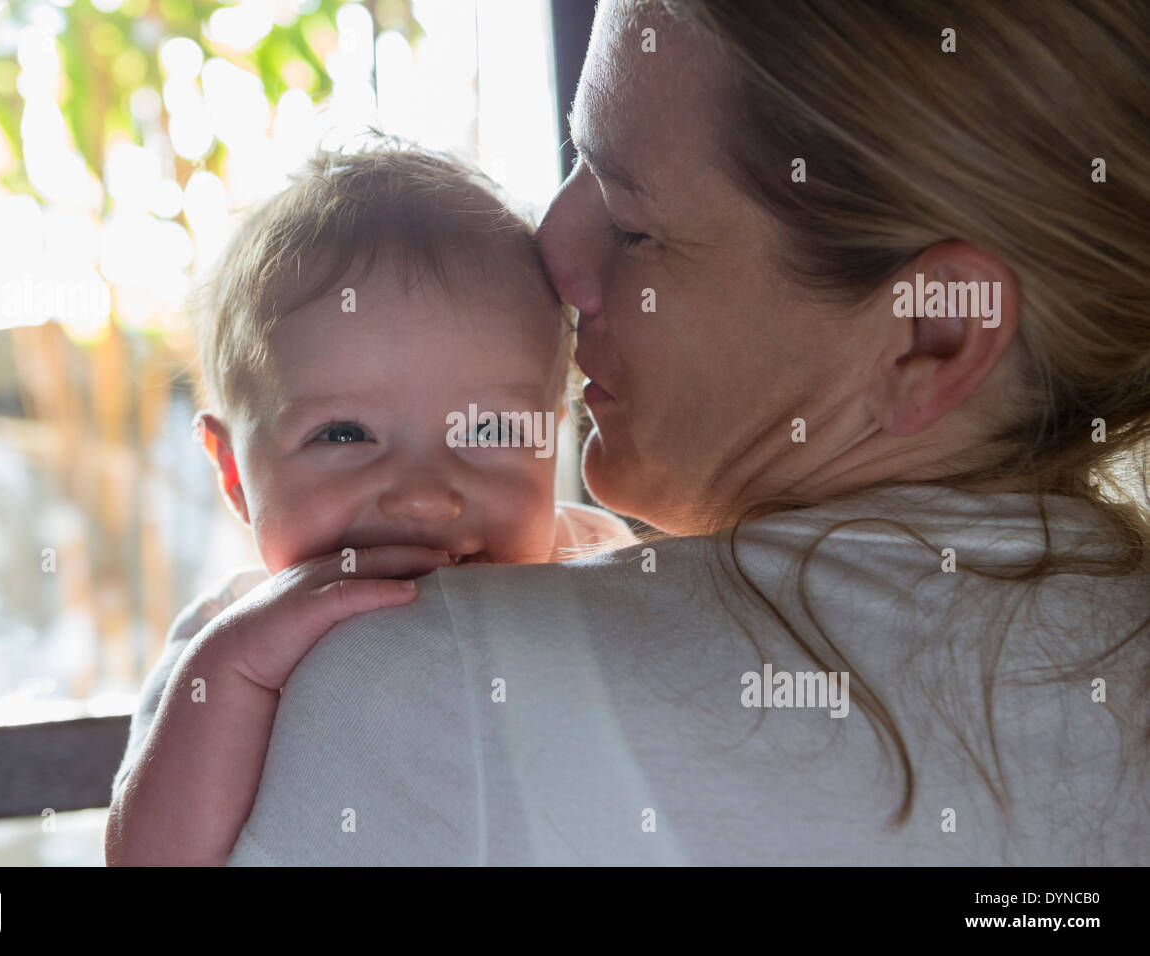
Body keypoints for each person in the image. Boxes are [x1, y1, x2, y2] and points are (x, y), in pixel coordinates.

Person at [132, 0, 1150, 865]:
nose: (551, 252)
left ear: (931, 335)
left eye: (630, 223)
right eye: (575, 163)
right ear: (227, 462)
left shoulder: (411, 680)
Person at [104, 146, 634, 865]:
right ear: (232, 473)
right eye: (344, 433)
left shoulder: (602, 563)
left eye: (489, 429)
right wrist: (236, 671)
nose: (423, 495)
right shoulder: (229, 634)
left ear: (554, 435)